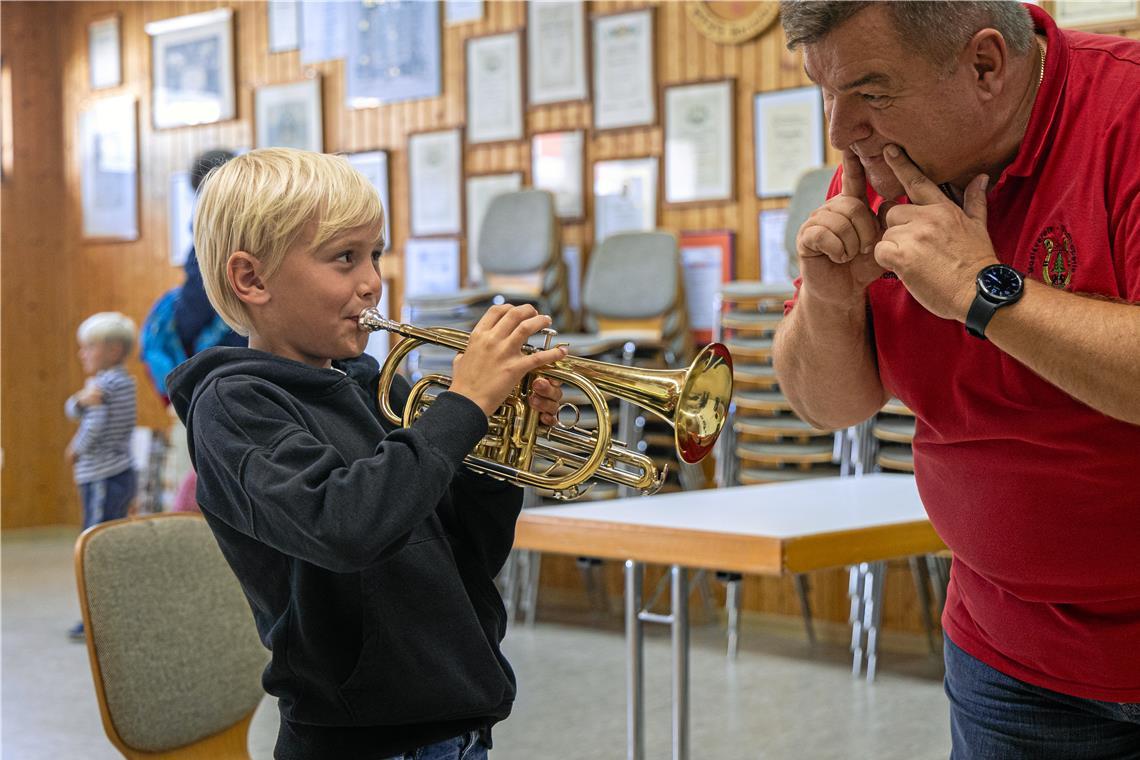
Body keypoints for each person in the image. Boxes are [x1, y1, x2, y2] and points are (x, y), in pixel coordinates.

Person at [774, 2, 1140, 757]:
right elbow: (827, 404)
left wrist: (986, 291)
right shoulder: (886, 169)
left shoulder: (1126, 118)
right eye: (824, 91)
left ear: (984, 65)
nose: (841, 131)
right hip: (1008, 658)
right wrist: (830, 302)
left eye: (871, 94)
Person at [166, 147, 566, 760]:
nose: (372, 280)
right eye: (343, 258)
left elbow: (470, 555)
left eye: (374, 254)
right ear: (252, 279)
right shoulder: (235, 406)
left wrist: (492, 445)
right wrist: (463, 408)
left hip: (456, 721)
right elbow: (346, 525)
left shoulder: (373, 385)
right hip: (356, 739)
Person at [65, 311, 139, 641]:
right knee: (107, 541)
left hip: (102, 476)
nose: (83, 354)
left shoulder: (104, 384)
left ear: (112, 350)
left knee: (93, 544)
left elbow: (91, 425)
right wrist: (80, 401)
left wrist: (76, 448)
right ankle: (111, 611)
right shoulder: (122, 382)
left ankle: (96, 618)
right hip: (119, 472)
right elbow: (75, 407)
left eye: (89, 347)